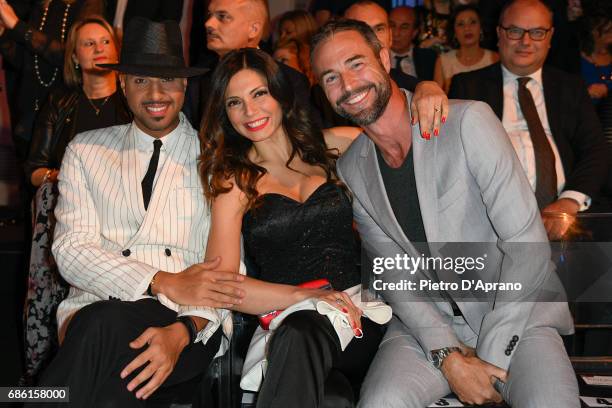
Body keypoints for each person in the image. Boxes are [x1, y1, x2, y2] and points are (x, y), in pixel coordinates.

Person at [311, 18, 578, 407]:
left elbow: (527, 246)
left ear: (385, 58)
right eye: (331, 77)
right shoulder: (352, 167)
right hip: (429, 328)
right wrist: (449, 358)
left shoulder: (468, 121)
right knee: (381, 403)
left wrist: (487, 358)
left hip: (516, 312)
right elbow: (395, 274)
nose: (348, 85)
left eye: (356, 64)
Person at [27, 18, 245, 408]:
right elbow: (71, 250)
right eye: (141, 81)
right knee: (105, 328)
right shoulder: (85, 150)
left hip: (189, 324)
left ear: (184, 86)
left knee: (102, 332)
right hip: (97, 309)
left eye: (166, 81)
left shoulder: (216, 160)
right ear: (123, 84)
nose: (155, 93)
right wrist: (159, 281)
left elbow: (227, 272)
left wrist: (181, 331)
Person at [199, 48, 387, 407]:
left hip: (361, 315)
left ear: (281, 95)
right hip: (290, 322)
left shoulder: (337, 146)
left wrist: (427, 91)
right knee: (330, 398)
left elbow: (403, 133)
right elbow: (222, 286)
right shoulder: (235, 181)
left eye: (259, 94)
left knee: (303, 338)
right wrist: (305, 297)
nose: (250, 112)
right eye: (235, 102)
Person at [21, 15, 131, 385]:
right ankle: (48, 378)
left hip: (122, 210)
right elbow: (35, 169)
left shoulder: (133, 99)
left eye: (105, 42)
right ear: (74, 57)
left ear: (117, 50)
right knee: (50, 194)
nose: (99, 49)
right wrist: (69, 174)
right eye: (89, 43)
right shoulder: (61, 101)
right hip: (67, 210)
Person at [449, 0, 608, 237]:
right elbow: (454, 160)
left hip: (569, 221)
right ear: (499, 34)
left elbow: (595, 150)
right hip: (493, 224)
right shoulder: (468, 87)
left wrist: (569, 202)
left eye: (537, 32)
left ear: (550, 37)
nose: (525, 42)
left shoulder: (570, 87)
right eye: (515, 31)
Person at [313, 0, 449, 131]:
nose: (372, 37)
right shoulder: (322, 98)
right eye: (361, 29)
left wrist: (428, 88)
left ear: (390, 36)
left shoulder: (414, 87)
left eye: (379, 29)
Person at [0, 0, 103, 160]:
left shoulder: (88, 4)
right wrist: (3, 34)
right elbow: (27, 61)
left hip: (65, 119)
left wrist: (18, 26)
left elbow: (73, 56)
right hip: (30, 118)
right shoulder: (41, 5)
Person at [434, 5, 498, 93]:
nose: (467, 28)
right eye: (461, 24)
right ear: (454, 32)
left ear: (481, 28)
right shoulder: (443, 61)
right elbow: (436, 100)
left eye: (472, 22)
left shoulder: (494, 58)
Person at [389, 6, 437, 80]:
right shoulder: (376, 57)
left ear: (415, 32)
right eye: (392, 25)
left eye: (404, 27)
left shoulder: (429, 59)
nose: (396, 33)